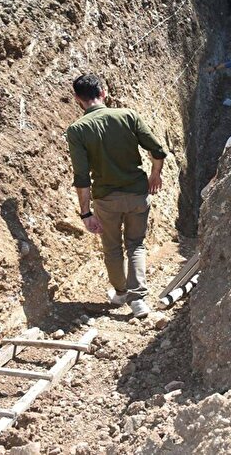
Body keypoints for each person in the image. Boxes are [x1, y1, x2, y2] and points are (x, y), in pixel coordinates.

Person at [63, 74, 167, 318]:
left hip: (106, 199)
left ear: (78, 99)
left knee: (112, 248)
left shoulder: (77, 130)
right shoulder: (127, 116)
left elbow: (81, 177)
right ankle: (139, 300)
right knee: (136, 245)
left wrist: (86, 213)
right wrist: (155, 175)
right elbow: (157, 150)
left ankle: (121, 293)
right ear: (104, 92)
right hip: (137, 194)